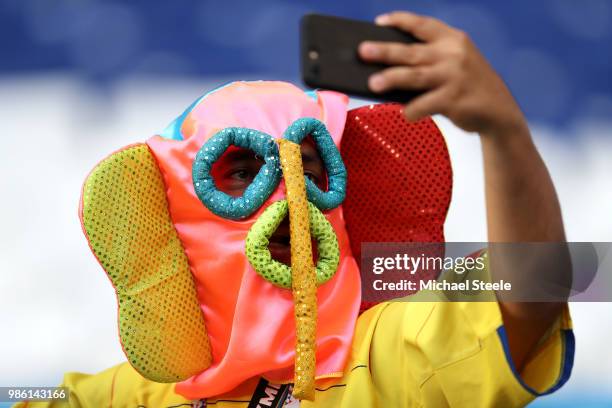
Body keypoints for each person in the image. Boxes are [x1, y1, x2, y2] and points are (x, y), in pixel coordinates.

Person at [15, 10, 573, 408]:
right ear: (177, 209)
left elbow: (539, 287)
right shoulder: (147, 394)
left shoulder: (390, 353)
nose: (288, 198)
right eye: (241, 171)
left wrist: (503, 132)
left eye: (309, 172)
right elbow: (35, 396)